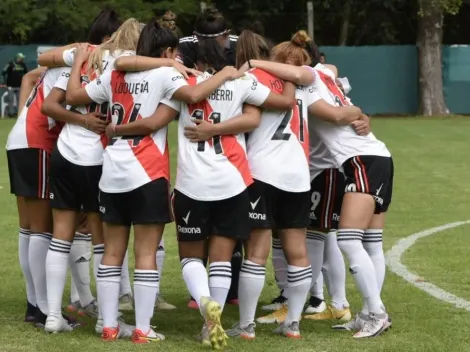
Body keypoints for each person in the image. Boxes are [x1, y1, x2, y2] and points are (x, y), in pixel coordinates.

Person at [66, 19, 247, 343]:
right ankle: (142, 328)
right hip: (147, 172)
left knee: (111, 252)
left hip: (112, 173)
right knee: (146, 253)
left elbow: (75, 95)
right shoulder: (166, 74)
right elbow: (191, 94)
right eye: (174, 51)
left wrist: (79, 64)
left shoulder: (115, 73)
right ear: (166, 50)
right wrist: (224, 73)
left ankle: (108, 326)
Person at [245, 36, 394, 338]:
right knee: (370, 243)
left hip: (358, 160)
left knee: (349, 241)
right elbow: (335, 78)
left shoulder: (309, 78)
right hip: (374, 156)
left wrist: (254, 63)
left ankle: (375, 313)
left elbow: (331, 104)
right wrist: (360, 113)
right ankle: (366, 313)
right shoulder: (327, 74)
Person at [221, 30, 361, 340]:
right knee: (298, 252)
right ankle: (293, 323)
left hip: (262, 173)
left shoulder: (255, 77)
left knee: (256, 252)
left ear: (275, 60)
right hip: (298, 176)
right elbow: (331, 75)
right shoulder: (307, 84)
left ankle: (246, 325)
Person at [40, 11, 135, 334]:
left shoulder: (79, 59)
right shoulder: (123, 64)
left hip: (66, 153)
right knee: (101, 240)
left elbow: (52, 104)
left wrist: (78, 119)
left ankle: (53, 316)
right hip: (98, 158)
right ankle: (104, 320)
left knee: (60, 236)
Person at [176, 6, 241, 309]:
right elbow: (256, 117)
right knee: (224, 251)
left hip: (193, 178)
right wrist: (229, 75)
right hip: (232, 173)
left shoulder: (183, 78)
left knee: (191, 253)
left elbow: (188, 94)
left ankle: (205, 304)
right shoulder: (240, 79)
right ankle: (220, 300)